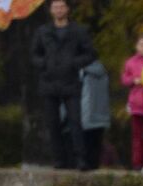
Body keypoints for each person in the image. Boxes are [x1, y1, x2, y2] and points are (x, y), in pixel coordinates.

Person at [31, 0, 95, 170]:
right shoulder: (43, 31)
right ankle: (58, 160)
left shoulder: (79, 31)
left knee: (75, 121)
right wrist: (45, 64)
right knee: (52, 123)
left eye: (61, 7)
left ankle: (81, 159)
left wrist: (74, 63)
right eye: (55, 7)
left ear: (67, 9)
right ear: (51, 10)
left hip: (70, 81)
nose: (58, 10)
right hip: (49, 82)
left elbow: (90, 53)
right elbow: (35, 54)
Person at [121, 34, 143, 171]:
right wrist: (134, 80)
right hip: (137, 104)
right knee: (137, 137)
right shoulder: (131, 62)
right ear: (136, 46)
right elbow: (124, 79)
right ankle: (137, 164)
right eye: (141, 44)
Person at [79, 59, 109, 171]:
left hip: (86, 114)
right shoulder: (102, 71)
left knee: (86, 143)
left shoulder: (83, 72)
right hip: (101, 114)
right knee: (96, 145)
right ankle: (94, 164)